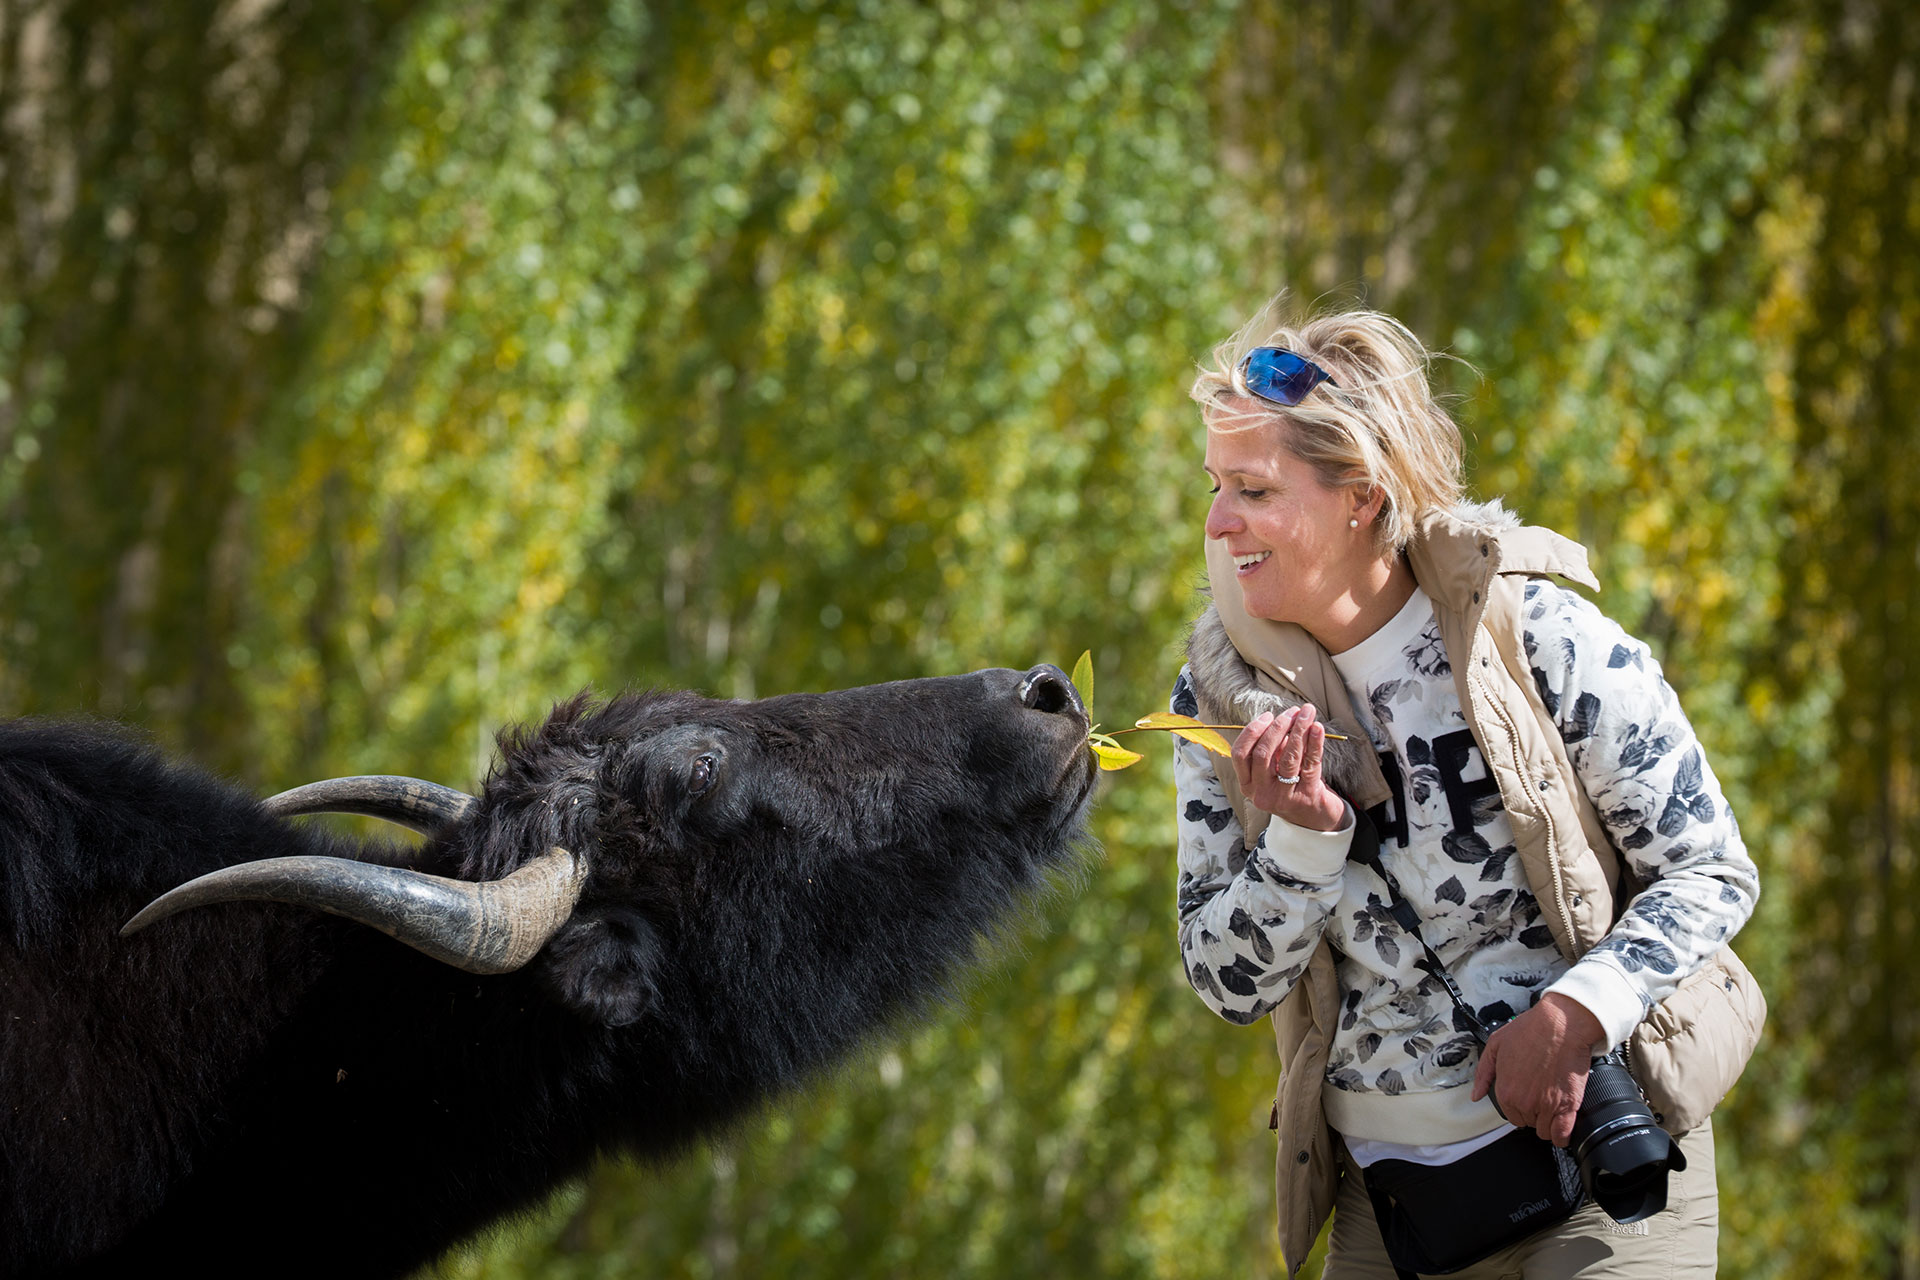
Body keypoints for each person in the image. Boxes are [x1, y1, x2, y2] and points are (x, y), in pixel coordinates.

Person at [1171, 299, 1764, 1279]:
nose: (1217, 520)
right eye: (1215, 485)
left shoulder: (1533, 634)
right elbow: (1225, 983)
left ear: (1359, 493)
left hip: (1608, 1180)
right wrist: (1303, 840)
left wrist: (1575, 1014)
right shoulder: (1218, 698)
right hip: (1399, 1218)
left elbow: (1710, 869)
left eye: (1253, 488)